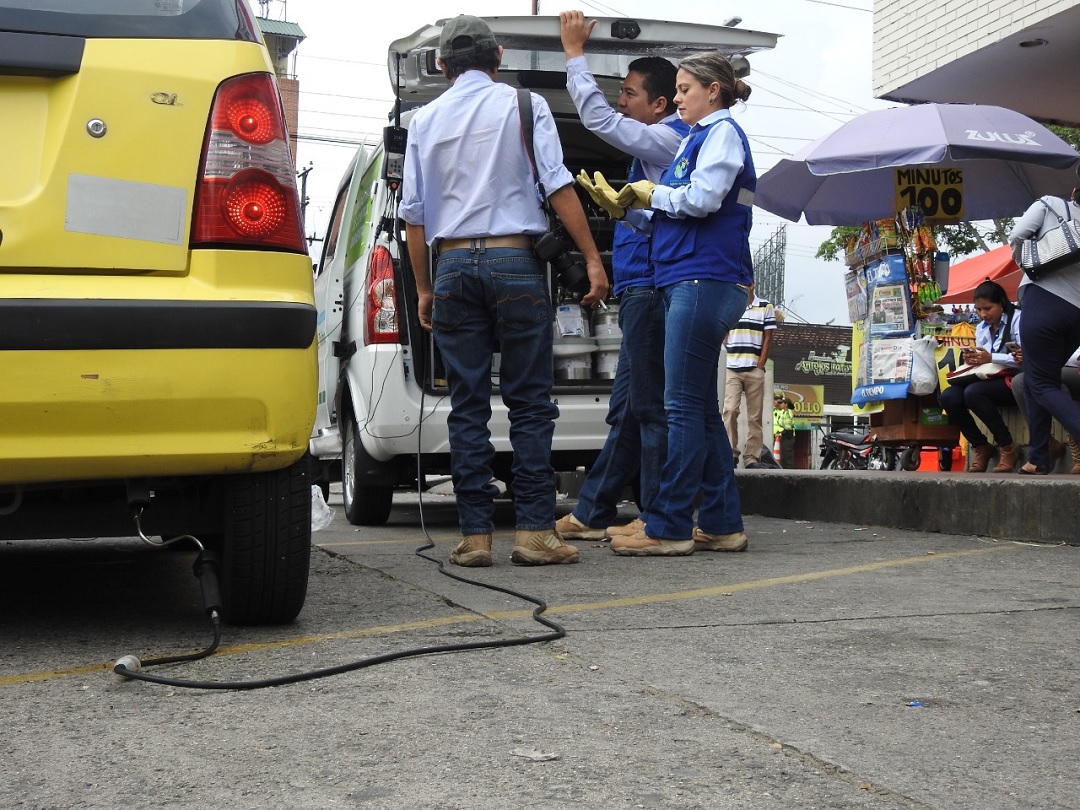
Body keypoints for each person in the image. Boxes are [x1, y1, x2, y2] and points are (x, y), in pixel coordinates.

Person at [399, 15, 609, 567]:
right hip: (515, 260)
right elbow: (557, 184)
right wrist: (591, 258)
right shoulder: (525, 105)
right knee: (529, 403)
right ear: (498, 57)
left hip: (450, 266)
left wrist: (424, 288)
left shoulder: (422, 121)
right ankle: (535, 531)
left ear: (441, 65)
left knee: (467, 403)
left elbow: (414, 216)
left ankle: (475, 537)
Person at [583, 52, 756, 556]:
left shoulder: (720, 134)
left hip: (703, 279)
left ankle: (669, 525)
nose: (676, 99)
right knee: (696, 408)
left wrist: (650, 194)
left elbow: (701, 200)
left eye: (684, 90)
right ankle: (721, 522)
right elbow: (676, 211)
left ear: (713, 91)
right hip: (690, 277)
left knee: (679, 406)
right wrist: (627, 208)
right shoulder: (697, 138)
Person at [553, 10, 689, 542]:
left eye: (630, 93)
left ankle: (658, 518)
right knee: (628, 409)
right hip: (639, 287)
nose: (621, 102)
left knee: (648, 408)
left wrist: (574, 54)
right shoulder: (657, 147)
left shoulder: (669, 138)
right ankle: (594, 511)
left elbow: (600, 121)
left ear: (661, 104)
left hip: (651, 290)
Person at [1009, 176, 1080, 476]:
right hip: (1077, 314)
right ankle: (1038, 457)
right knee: (1036, 378)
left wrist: (1026, 263)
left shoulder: (1050, 204)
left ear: (1074, 190)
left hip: (1044, 301)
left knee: (1040, 383)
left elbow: (1017, 235)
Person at [938, 280, 1022, 473]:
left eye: (988, 308)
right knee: (948, 396)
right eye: (979, 310)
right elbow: (984, 359)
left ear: (1002, 303)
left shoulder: (1018, 320)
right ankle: (980, 446)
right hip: (988, 377)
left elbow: (1023, 356)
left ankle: (1007, 446)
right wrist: (973, 358)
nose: (983, 314)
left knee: (973, 393)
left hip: (1013, 379)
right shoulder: (982, 327)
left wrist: (992, 357)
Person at [723, 288, 777, 469]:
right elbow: (723, 332)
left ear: (752, 285)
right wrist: (730, 351)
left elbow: (768, 338)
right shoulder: (730, 304)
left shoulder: (765, 306)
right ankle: (730, 453)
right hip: (733, 368)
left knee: (755, 417)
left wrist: (760, 364)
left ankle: (752, 458)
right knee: (730, 410)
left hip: (754, 368)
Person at [1009, 345, 1080, 474]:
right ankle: (1045, 444)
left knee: (1046, 378)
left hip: (1073, 368)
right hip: (1058, 367)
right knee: (1020, 381)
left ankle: (1075, 438)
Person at [772, 393, 796, 469]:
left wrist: (781, 432)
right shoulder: (779, 411)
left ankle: (788, 472)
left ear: (786, 404)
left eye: (781, 403)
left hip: (787, 435)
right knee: (782, 456)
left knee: (787, 456)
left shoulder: (787, 412)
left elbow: (787, 426)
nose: (780, 404)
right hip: (779, 436)